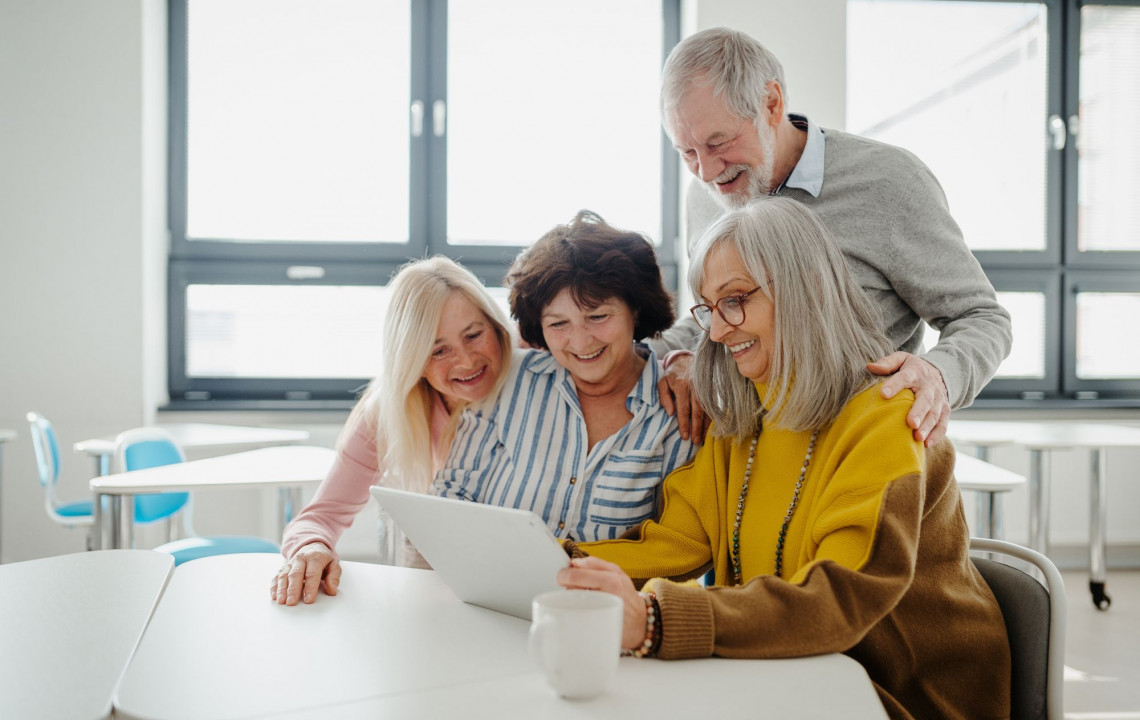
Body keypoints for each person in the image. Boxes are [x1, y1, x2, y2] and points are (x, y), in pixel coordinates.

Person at [558, 198, 1010, 720]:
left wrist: (656, 620)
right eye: (709, 308)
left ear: (806, 291)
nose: (719, 331)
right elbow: (675, 541)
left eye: (736, 300)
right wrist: (561, 566)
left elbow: (836, 598)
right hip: (786, 680)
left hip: (894, 697)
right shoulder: (745, 421)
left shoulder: (888, 418)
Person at [649, 27, 1012, 449]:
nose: (709, 172)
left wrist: (939, 374)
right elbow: (716, 317)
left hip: (860, 454)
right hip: (751, 465)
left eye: (720, 142)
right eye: (688, 153)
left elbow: (983, 318)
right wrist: (664, 355)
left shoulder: (889, 182)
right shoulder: (704, 196)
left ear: (771, 103)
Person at [432, 210, 698, 542]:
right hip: (492, 590)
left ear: (636, 308)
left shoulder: (675, 410)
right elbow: (451, 493)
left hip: (608, 595)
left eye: (598, 316)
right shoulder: (511, 381)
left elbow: (675, 544)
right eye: (558, 324)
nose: (582, 341)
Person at [271, 256, 514, 606]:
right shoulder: (388, 413)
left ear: (495, 326)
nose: (465, 360)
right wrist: (311, 547)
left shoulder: (535, 374)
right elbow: (320, 516)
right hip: (443, 591)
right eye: (439, 350)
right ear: (413, 361)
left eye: (474, 335)